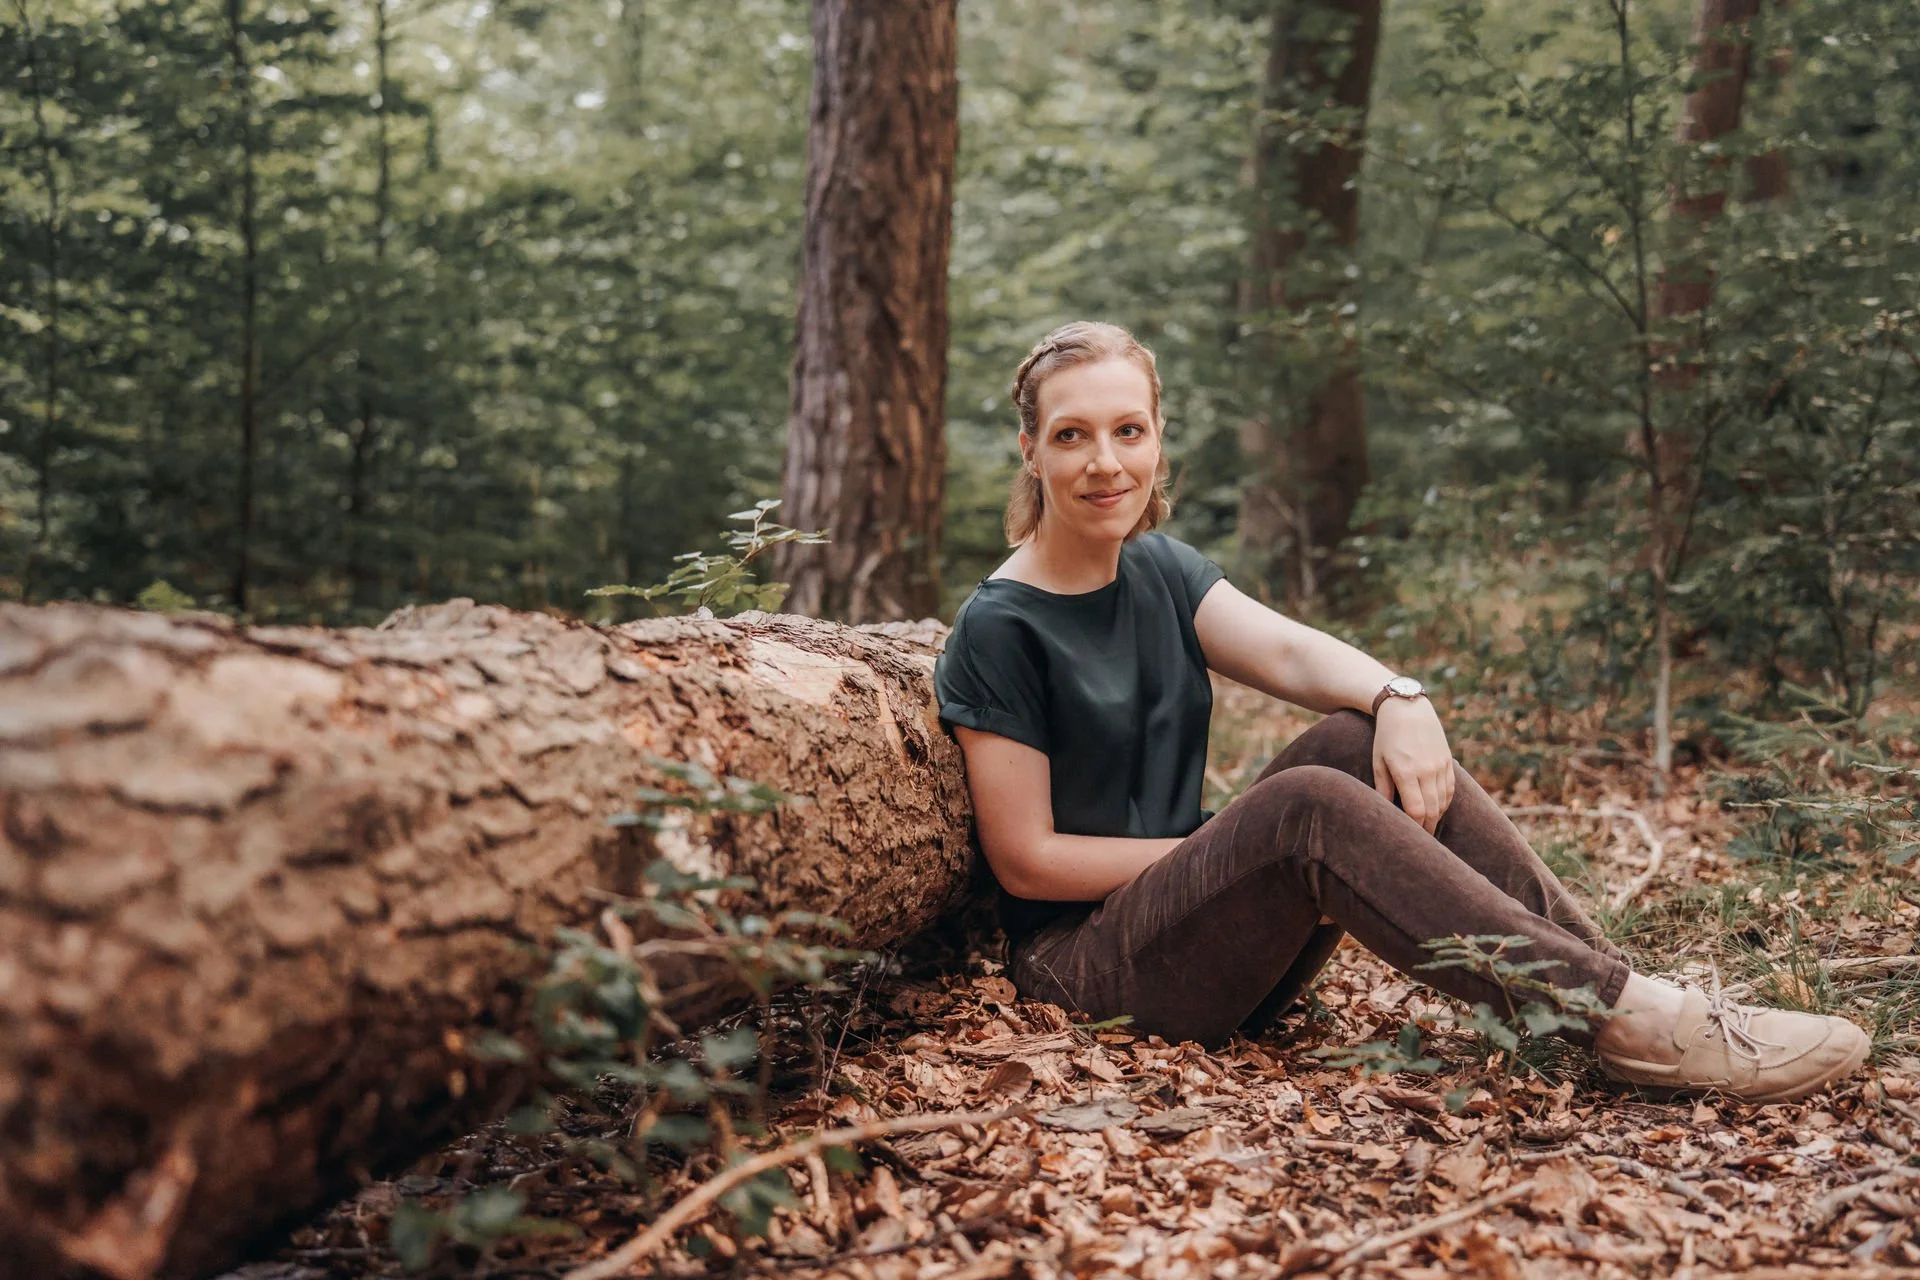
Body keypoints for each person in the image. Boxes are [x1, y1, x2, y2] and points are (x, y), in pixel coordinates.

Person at [933, 320, 1871, 1104]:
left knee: (1350, 738)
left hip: (1200, 938)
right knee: (1305, 806)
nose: (1106, 462)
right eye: (1072, 436)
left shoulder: (1159, 569)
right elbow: (1029, 860)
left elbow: (1295, 652)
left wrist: (1400, 696)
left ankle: (1626, 1001)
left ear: (1157, 438)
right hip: (1087, 970)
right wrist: (1229, 852)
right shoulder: (1001, 627)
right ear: (1031, 449)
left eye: (1128, 431)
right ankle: (1628, 1017)